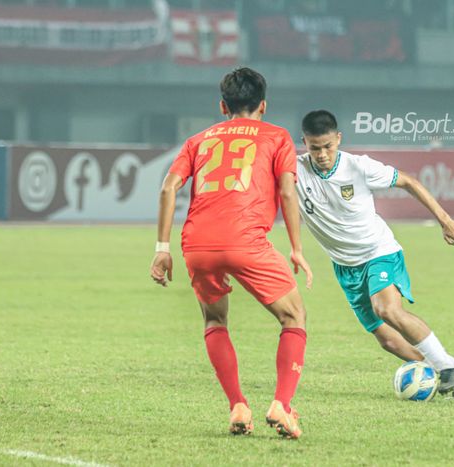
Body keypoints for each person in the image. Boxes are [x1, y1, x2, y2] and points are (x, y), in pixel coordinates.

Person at [150, 67, 313, 438]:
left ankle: (238, 406)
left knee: (214, 321)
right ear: (263, 106)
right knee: (294, 316)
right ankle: (282, 406)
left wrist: (162, 249)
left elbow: (167, 188)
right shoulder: (277, 136)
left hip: (198, 244)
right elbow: (288, 193)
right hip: (247, 241)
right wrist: (297, 249)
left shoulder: (198, 140)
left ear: (223, 106)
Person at [294, 110, 454, 399]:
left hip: (378, 251)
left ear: (339, 139)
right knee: (388, 341)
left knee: (388, 310)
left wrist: (444, 220)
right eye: (315, 148)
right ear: (304, 142)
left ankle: (446, 369)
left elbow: (409, 181)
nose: (322, 154)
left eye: (328, 146)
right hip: (345, 266)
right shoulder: (294, 171)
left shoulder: (358, 167)